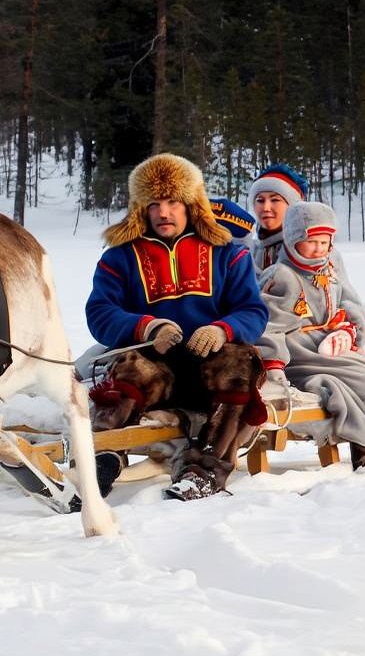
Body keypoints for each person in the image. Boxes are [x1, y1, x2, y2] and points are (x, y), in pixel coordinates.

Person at [86, 153, 269, 500]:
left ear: (192, 204)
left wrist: (222, 329)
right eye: (154, 204)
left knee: (240, 363)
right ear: (141, 207)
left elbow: (252, 310)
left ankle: (204, 471)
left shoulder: (228, 253)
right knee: (127, 366)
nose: (164, 212)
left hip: (212, 370)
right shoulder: (119, 257)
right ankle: (103, 458)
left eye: (172, 202)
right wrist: (145, 327)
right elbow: (99, 312)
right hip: (156, 369)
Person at [256, 202, 365, 473]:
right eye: (312, 242)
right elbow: (268, 326)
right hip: (300, 352)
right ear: (294, 239)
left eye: (325, 242)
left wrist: (346, 330)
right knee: (363, 381)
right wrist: (273, 366)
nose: (319, 249)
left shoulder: (328, 271)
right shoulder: (282, 276)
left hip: (326, 347)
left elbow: (347, 305)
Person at [248, 163, 308, 273]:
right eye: (260, 200)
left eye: (275, 200)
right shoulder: (248, 251)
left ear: (292, 205)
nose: (266, 208)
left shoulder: (312, 250)